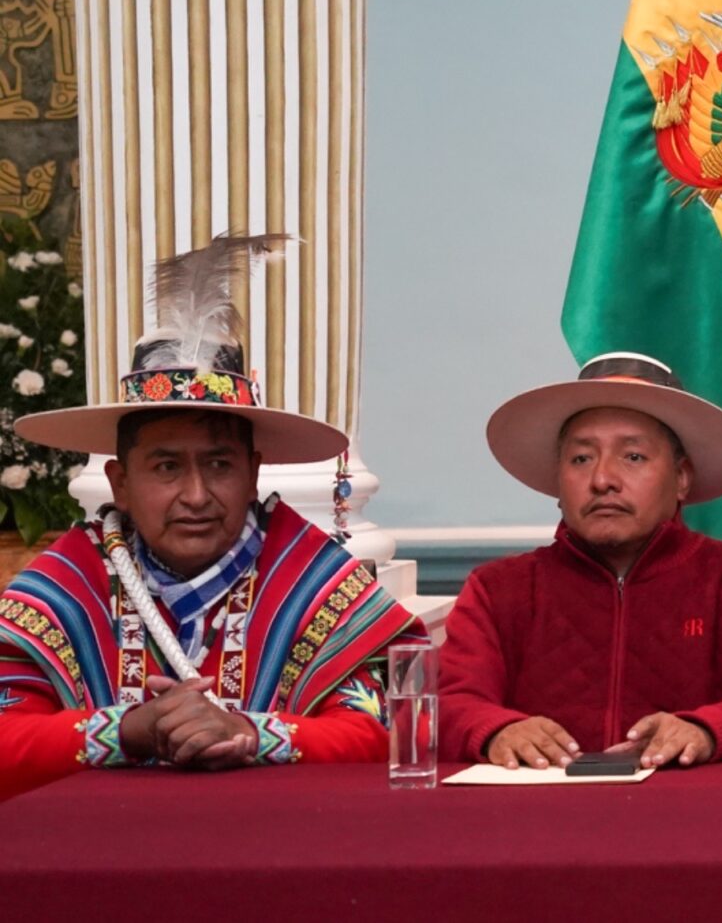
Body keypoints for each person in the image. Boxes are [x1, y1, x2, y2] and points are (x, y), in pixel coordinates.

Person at [0, 236, 424, 796]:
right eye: (167, 467)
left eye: (219, 465)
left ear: (253, 473)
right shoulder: (65, 586)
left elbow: (394, 729)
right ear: (120, 483)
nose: (196, 495)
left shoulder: (318, 584)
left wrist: (251, 733)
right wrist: (126, 731)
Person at [439, 352, 722, 770]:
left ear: (681, 478)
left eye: (633, 456)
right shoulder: (498, 590)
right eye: (581, 459)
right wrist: (495, 730)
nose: (602, 480)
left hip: (699, 808)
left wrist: (705, 731)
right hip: (538, 808)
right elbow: (447, 704)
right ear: (558, 481)